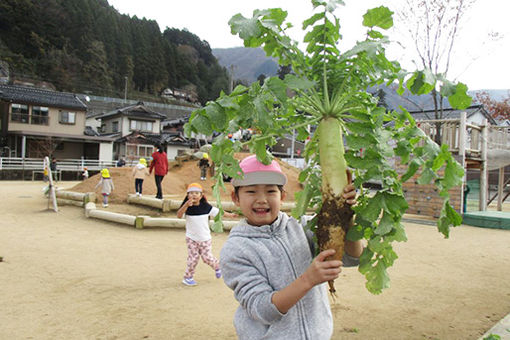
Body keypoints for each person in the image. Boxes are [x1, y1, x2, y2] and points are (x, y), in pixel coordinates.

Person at [219, 155, 363, 339]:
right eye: (251, 191)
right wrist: (308, 280)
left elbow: (352, 256)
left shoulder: (303, 227)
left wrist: (346, 214)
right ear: (235, 198)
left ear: (283, 196)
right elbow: (263, 309)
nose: (262, 199)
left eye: (271, 191)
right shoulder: (236, 250)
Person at [176, 183, 238, 287]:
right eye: (191, 193)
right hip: (191, 238)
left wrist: (230, 215)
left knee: (207, 258)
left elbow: (218, 213)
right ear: (187, 195)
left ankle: (218, 267)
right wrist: (186, 205)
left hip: (205, 238)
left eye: (196, 193)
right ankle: (188, 277)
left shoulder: (205, 206)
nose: (194, 195)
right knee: (193, 258)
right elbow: (179, 215)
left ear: (201, 195)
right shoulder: (186, 207)